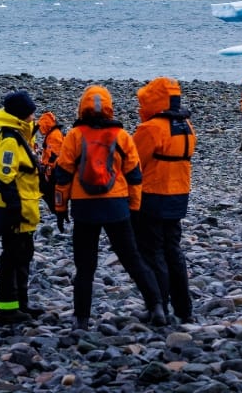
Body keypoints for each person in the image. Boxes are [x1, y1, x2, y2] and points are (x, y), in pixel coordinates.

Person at [53, 84, 166, 330]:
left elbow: (62, 175)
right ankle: (156, 306)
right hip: (116, 205)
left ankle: (81, 318)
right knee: (132, 259)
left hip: (84, 208)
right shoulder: (121, 136)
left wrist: (60, 209)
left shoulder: (74, 136)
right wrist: (134, 208)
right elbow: (135, 176)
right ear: (109, 107)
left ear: (82, 107)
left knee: (85, 266)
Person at [132, 76, 197, 324]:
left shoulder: (151, 129)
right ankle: (184, 309)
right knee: (173, 251)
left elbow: (134, 162)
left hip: (152, 195)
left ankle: (158, 307)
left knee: (152, 253)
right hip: (179, 195)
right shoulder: (187, 125)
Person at [0, 90, 42, 325]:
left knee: (24, 255)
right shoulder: (10, 139)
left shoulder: (20, 134)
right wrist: (14, 208)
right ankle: (8, 309)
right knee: (11, 257)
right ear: (21, 113)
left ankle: (22, 304)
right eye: (31, 110)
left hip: (25, 206)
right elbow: (5, 177)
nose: (34, 114)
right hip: (14, 208)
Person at [35, 111, 65, 203]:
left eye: (41, 127)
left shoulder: (54, 136)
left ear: (46, 125)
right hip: (54, 168)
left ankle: (57, 210)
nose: (40, 130)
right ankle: (58, 209)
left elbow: (53, 156)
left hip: (53, 170)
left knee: (47, 190)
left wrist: (48, 172)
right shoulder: (54, 134)